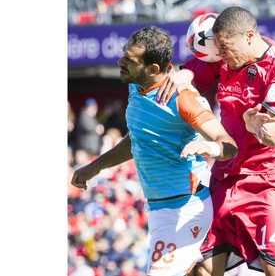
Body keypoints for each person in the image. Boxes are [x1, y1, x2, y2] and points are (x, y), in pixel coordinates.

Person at [71, 26, 238, 276]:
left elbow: (229, 145)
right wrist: (95, 167)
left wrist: (209, 146)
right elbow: (138, 139)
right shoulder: (136, 86)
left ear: (153, 70)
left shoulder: (182, 99)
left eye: (130, 60)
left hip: (184, 207)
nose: (121, 62)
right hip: (160, 209)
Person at [157, 6, 275, 276]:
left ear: (248, 36)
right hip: (224, 177)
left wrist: (254, 125)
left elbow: (271, 137)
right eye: (217, 49)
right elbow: (192, 72)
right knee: (202, 270)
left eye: (225, 48)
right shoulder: (225, 56)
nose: (220, 56)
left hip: (265, 184)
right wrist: (183, 75)